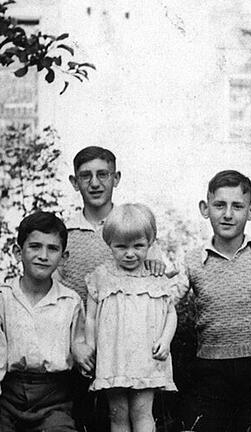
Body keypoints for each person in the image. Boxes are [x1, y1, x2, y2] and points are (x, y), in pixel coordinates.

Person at [176, 170, 251, 432]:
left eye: (237, 206)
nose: (228, 214)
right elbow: (164, 301)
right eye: (219, 205)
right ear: (205, 208)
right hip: (210, 369)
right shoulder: (192, 260)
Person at [56, 146, 166, 432]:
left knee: (137, 414)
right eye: (85, 176)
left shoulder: (135, 228)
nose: (95, 183)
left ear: (116, 178)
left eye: (103, 174)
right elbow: (56, 298)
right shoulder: (63, 234)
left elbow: (158, 296)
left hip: (130, 350)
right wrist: (77, 344)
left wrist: (155, 257)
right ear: (74, 182)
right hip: (84, 349)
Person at [0, 211, 85, 432]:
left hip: (55, 400)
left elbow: (81, 350)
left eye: (52, 248)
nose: (43, 255)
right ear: (18, 252)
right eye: (35, 246)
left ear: (64, 258)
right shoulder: (2, 297)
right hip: (8, 397)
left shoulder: (71, 302)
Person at [79, 203, 178, 432]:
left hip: (146, 357)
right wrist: (91, 346)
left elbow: (170, 313)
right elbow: (91, 318)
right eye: (121, 246)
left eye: (138, 246)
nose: (130, 253)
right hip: (113, 357)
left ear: (150, 244)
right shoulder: (101, 277)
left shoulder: (156, 277)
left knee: (142, 412)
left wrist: (165, 340)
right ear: (109, 244)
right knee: (118, 414)